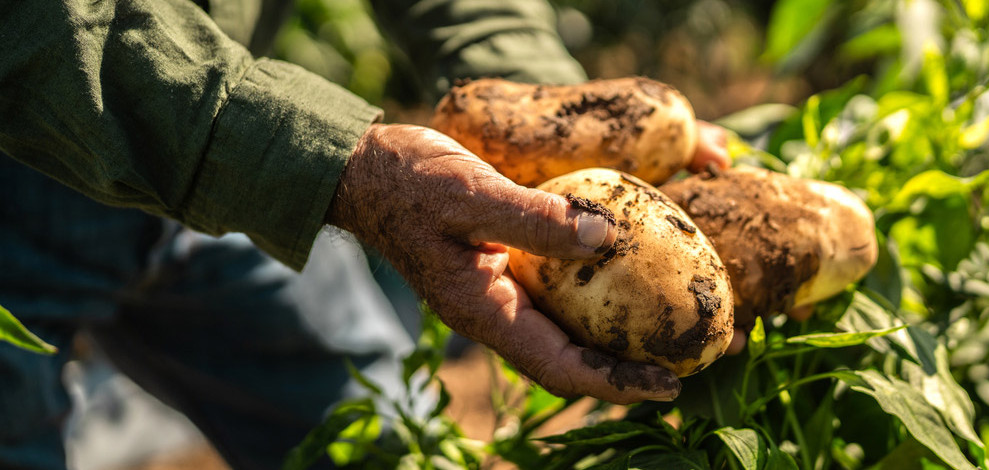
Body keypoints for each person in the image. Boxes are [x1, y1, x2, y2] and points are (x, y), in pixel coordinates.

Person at [0, 0, 729, 469]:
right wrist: (342, 167)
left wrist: (541, 110)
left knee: (383, 443)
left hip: (237, 170)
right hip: (37, 165)